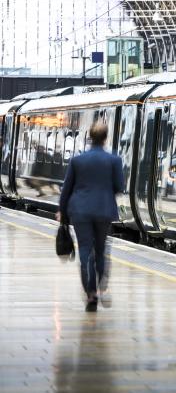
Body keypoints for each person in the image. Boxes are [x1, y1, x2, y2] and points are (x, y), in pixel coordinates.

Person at [57, 121, 125, 312]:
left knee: (85, 250)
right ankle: (101, 286)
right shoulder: (114, 161)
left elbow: (66, 189)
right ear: (105, 138)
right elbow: (120, 187)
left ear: (90, 137)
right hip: (104, 211)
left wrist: (62, 211)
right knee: (101, 250)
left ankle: (91, 294)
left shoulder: (77, 161)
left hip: (80, 211)